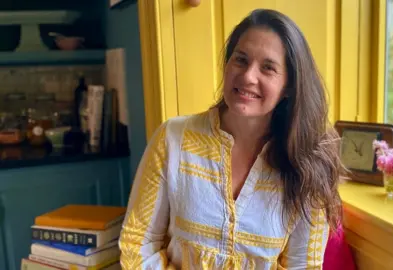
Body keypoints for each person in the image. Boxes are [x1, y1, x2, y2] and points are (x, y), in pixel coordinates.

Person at [119, 8, 344, 269]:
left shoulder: (309, 163)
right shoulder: (173, 139)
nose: (248, 76)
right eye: (240, 59)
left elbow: (303, 265)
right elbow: (137, 243)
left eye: (268, 68)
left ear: (289, 87)